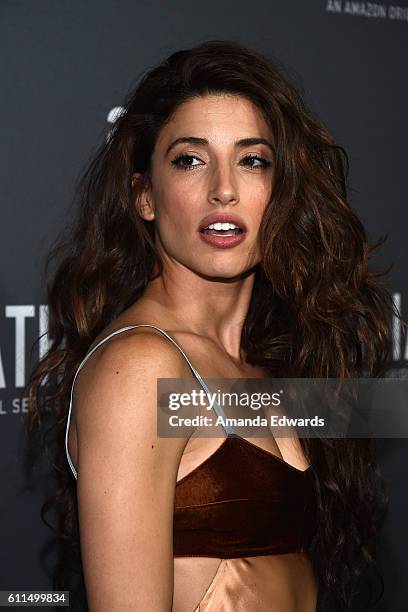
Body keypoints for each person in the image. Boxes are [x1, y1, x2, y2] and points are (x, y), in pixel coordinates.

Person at [25, 40, 401, 611]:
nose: (223, 189)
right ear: (144, 195)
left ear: (282, 191)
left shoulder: (262, 360)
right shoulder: (141, 367)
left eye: (252, 160)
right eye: (190, 159)